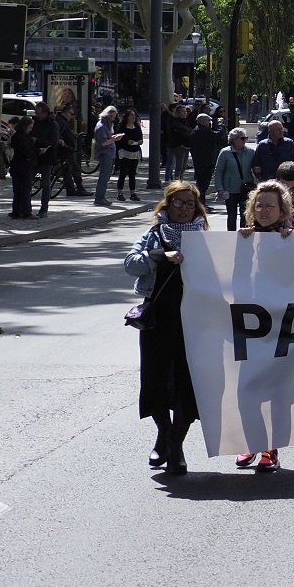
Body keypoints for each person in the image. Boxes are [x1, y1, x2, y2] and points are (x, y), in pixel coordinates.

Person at [124, 181, 209, 475]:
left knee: (188, 384)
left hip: (193, 322)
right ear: (167, 205)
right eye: (178, 203)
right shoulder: (154, 234)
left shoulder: (205, 238)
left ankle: (176, 444)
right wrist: (158, 255)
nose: (184, 209)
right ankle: (163, 432)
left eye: (189, 204)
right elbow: (130, 264)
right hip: (158, 320)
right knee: (156, 380)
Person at [231, 180, 294, 472]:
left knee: (275, 392)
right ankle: (249, 444)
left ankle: (272, 449)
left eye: (270, 205)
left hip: (281, 327)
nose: (264, 210)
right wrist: (242, 248)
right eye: (259, 205)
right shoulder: (243, 238)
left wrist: (292, 245)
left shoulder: (292, 238)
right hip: (249, 327)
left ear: (282, 210)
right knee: (247, 390)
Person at [212, 127, 257, 231]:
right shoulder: (225, 152)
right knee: (232, 216)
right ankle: (230, 236)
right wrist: (219, 188)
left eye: (246, 138)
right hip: (230, 190)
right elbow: (218, 172)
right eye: (242, 138)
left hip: (246, 189)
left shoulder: (251, 152)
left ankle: (245, 237)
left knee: (245, 216)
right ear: (234, 139)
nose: (244, 140)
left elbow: (256, 168)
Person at [7, 115, 37, 219]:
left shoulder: (19, 136)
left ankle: (17, 211)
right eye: (30, 127)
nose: (31, 129)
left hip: (19, 167)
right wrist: (37, 152)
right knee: (24, 190)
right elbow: (27, 152)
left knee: (18, 191)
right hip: (23, 167)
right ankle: (26, 212)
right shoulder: (22, 137)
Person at [93, 106, 123, 206]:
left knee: (106, 176)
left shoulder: (105, 125)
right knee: (104, 176)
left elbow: (107, 139)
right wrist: (115, 139)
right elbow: (103, 143)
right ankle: (99, 198)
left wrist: (113, 137)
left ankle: (101, 197)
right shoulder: (101, 126)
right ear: (108, 116)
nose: (114, 119)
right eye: (113, 117)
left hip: (109, 153)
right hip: (105, 153)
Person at [189, 113, 224, 200]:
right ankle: (201, 203)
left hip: (200, 161)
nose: (209, 123)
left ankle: (202, 203)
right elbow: (218, 135)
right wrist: (221, 125)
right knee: (203, 185)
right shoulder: (203, 130)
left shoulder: (197, 130)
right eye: (209, 121)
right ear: (204, 122)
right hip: (205, 162)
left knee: (201, 184)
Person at [252, 119, 294, 184]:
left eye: (281, 129)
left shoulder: (289, 144)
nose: (281, 131)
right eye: (278, 130)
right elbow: (256, 166)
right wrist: (262, 179)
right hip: (268, 182)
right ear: (270, 131)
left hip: (286, 182)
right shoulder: (262, 146)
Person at [116, 107, 143, 202]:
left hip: (134, 152)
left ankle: (132, 193)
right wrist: (126, 142)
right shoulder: (122, 128)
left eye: (134, 116)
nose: (133, 117)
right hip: (124, 152)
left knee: (132, 174)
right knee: (123, 173)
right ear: (127, 117)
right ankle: (120, 193)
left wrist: (139, 142)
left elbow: (140, 138)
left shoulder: (137, 127)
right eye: (131, 115)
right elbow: (118, 140)